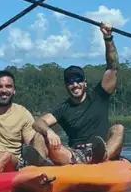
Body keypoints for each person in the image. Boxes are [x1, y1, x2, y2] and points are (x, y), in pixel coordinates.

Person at [22, 22, 124, 166]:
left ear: (85, 82)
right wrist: (49, 132)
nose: (75, 84)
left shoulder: (99, 95)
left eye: (78, 80)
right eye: (70, 81)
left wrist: (108, 38)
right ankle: (41, 167)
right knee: (39, 135)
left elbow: (113, 66)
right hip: (74, 155)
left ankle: (102, 158)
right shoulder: (63, 108)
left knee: (118, 128)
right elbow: (38, 123)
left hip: (100, 150)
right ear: (66, 86)